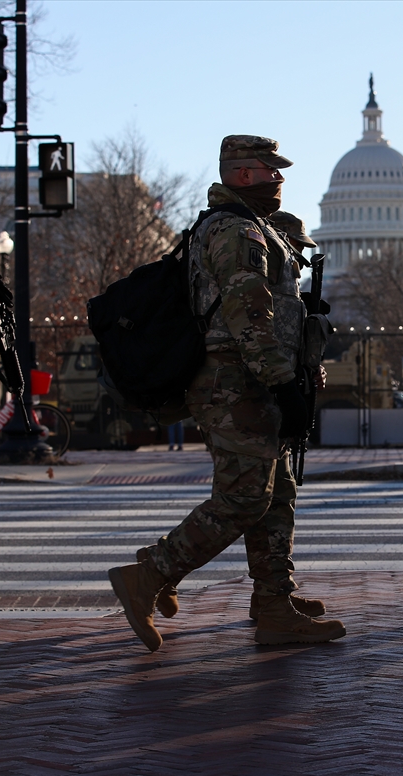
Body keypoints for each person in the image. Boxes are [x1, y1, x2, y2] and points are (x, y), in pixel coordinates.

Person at [112, 135, 345, 651]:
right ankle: (149, 573)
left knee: (276, 494)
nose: (278, 178)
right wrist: (282, 383)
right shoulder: (237, 230)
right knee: (244, 498)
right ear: (242, 174)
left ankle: (273, 602)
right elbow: (249, 313)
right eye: (270, 169)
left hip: (252, 380)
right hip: (234, 384)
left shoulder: (254, 227)